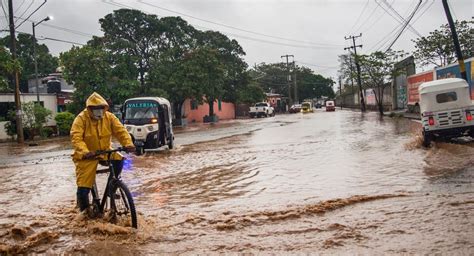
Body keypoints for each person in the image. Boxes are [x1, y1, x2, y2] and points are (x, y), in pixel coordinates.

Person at [70, 92, 135, 214]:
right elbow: (76, 138)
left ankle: (112, 187)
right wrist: (85, 152)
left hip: (105, 151)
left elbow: (121, 131)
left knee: (119, 160)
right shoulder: (81, 119)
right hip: (87, 156)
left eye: (101, 108)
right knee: (84, 188)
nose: (99, 111)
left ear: (104, 108)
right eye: (95, 109)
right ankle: (84, 214)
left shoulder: (109, 117)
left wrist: (128, 144)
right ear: (89, 109)